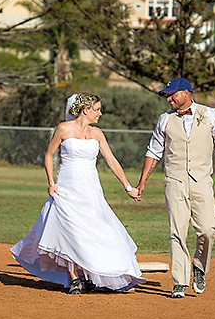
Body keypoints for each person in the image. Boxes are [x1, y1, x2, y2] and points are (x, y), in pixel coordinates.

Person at [11, 93, 146, 294]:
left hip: (90, 190)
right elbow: (49, 155)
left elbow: (112, 161)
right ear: (86, 110)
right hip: (66, 188)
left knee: (92, 232)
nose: (100, 113)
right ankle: (74, 278)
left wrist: (128, 187)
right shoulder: (63, 129)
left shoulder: (97, 134)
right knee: (70, 231)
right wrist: (51, 183)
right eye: (97, 109)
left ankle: (90, 273)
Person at [135, 78, 215, 298]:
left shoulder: (210, 115)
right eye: (167, 95)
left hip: (202, 180)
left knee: (208, 229)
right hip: (174, 180)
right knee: (177, 231)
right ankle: (179, 281)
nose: (169, 99)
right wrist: (142, 182)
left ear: (185, 93)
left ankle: (199, 266)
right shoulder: (164, 120)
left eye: (172, 94)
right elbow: (154, 152)